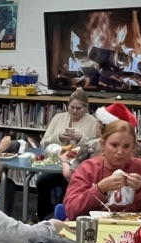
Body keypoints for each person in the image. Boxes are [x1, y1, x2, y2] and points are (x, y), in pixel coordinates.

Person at [64, 120, 141, 220]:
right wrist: (99, 189)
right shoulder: (88, 169)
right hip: (93, 230)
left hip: (133, 231)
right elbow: (71, 210)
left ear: (133, 147)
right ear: (103, 145)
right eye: (114, 145)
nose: (120, 152)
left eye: (126, 146)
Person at [36, 88, 99, 219]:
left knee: (68, 184)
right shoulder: (58, 118)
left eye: (79, 108)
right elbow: (44, 142)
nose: (74, 111)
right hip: (56, 163)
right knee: (42, 182)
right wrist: (58, 137)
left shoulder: (93, 122)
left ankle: (62, 217)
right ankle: (43, 217)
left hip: (77, 166)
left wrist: (82, 138)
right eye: (72, 107)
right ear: (67, 105)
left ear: (86, 108)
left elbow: (96, 147)